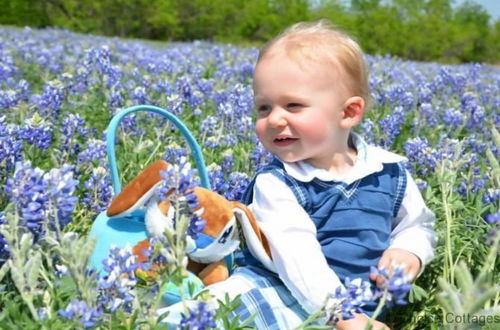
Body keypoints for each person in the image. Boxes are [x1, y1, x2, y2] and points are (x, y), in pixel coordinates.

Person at [163, 20, 437, 329]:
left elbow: (419, 225)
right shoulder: (276, 183)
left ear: (347, 113)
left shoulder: (389, 172)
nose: (275, 119)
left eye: (293, 105)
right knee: (195, 320)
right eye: (264, 108)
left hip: (358, 310)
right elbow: (298, 261)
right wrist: (342, 315)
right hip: (275, 293)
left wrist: (409, 251)